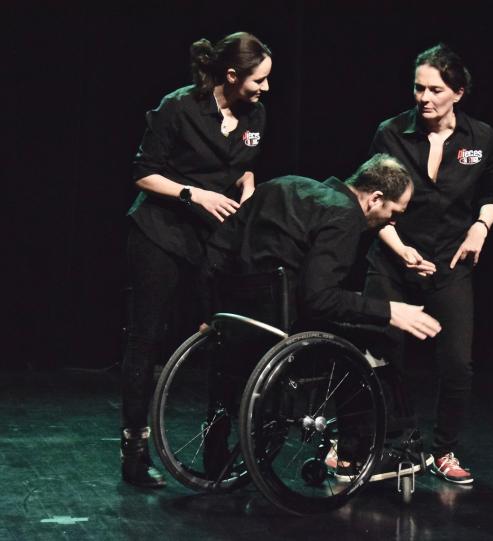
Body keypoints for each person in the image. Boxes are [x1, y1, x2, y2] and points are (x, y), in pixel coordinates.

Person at [206, 154, 442, 477]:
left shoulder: (281, 185)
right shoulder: (344, 216)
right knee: (375, 337)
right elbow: (318, 299)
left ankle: (215, 454)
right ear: (375, 199)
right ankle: (360, 452)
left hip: (238, 315)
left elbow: (219, 247)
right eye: (394, 213)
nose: (392, 223)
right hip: (283, 325)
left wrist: (211, 310)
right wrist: (389, 311)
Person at [121, 31, 272, 488]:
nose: (265, 88)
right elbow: (143, 174)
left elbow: (242, 164)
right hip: (160, 234)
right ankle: (135, 451)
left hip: (212, 241)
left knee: (223, 339)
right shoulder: (179, 106)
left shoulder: (256, 114)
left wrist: (247, 185)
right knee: (147, 340)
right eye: (259, 79)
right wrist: (195, 194)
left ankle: (216, 447)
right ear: (232, 75)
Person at [364, 43, 493, 484]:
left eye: (435, 90)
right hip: (393, 258)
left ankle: (443, 450)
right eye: (418, 88)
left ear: (458, 93)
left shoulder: (481, 139)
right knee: (381, 355)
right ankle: (380, 443)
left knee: (457, 363)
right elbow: (371, 201)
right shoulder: (391, 133)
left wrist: (480, 227)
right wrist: (399, 249)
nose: (424, 98)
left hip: (449, 263)